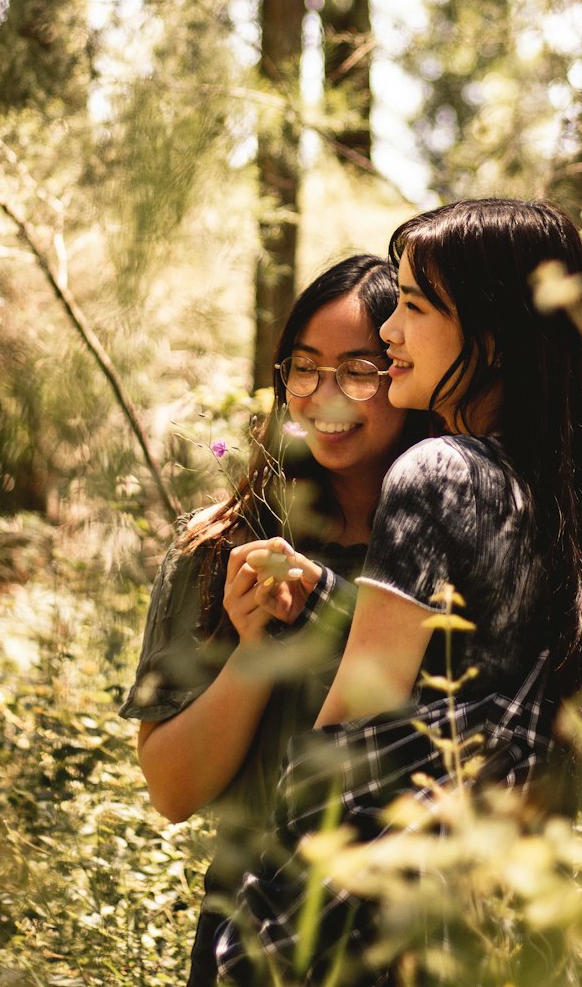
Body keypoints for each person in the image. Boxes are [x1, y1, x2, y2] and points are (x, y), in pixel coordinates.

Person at [215, 198, 582, 984]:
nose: (389, 331)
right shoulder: (555, 496)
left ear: (489, 334)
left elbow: (352, 727)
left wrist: (260, 925)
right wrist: (329, 597)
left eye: (416, 307)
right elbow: (473, 670)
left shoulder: (438, 473)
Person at [120, 254, 428, 987]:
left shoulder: (450, 545)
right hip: (248, 929)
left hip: (412, 932)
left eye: (360, 369)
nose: (326, 396)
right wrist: (257, 649)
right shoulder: (223, 546)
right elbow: (171, 788)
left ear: (408, 371)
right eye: (304, 367)